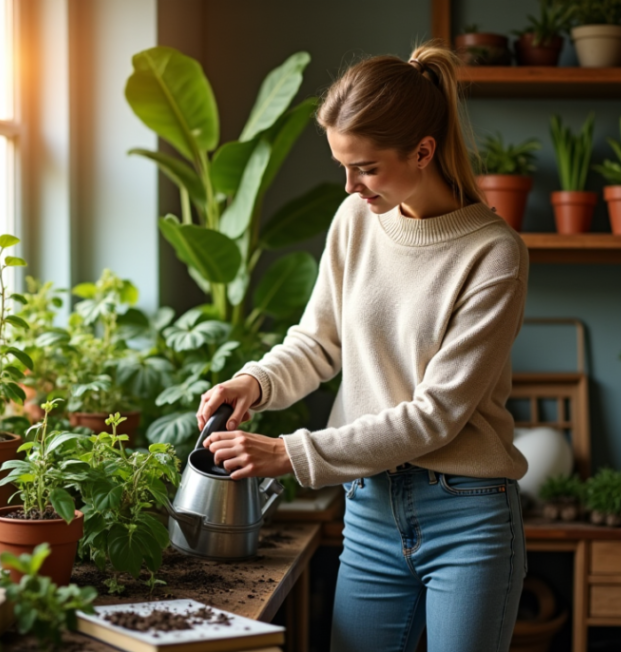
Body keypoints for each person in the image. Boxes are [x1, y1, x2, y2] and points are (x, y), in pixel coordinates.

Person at [196, 42, 530, 652]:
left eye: (366, 168)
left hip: (467, 517)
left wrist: (291, 454)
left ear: (423, 151)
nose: (350, 185)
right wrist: (256, 382)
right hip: (370, 510)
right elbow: (320, 341)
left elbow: (437, 415)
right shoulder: (355, 220)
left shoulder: (493, 254)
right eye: (342, 166)